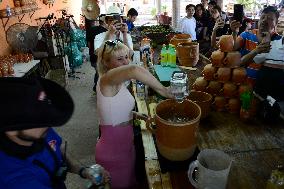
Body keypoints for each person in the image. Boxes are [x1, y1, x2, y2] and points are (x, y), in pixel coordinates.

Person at [0, 77, 110, 189]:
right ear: (11, 131)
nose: (49, 122)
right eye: (38, 120)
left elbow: (59, 150)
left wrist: (83, 171)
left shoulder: (40, 132)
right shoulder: (13, 179)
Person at [95, 40, 173, 189]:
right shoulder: (106, 80)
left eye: (127, 56)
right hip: (113, 153)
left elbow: (114, 112)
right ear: (105, 63)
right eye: (119, 59)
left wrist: (139, 116)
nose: (126, 62)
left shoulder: (117, 82)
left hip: (126, 148)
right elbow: (133, 70)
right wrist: (165, 91)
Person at [231, 6, 284, 101]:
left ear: (276, 23)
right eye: (263, 17)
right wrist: (234, 32)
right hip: (242, 86)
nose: (264, 20)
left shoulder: (279, 42)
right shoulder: (247, 35)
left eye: (270, 19)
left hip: (265, 94)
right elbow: (232, 48)